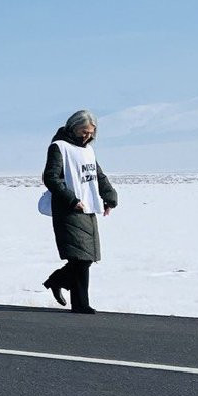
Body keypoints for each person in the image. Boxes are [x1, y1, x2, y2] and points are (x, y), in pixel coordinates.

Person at [42, 110, 118, 315]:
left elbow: (97, 175)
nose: (87, 136)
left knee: (85, 257)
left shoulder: (87, 151)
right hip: (69, 209)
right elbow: (51, 178)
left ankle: (63, 288)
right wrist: (71, 199)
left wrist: (110, 197)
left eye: (91, 133)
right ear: (72, 127)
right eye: (83, 132)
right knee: (81, 258)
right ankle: (79, 302)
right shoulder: (59, 148)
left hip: (88, 207)